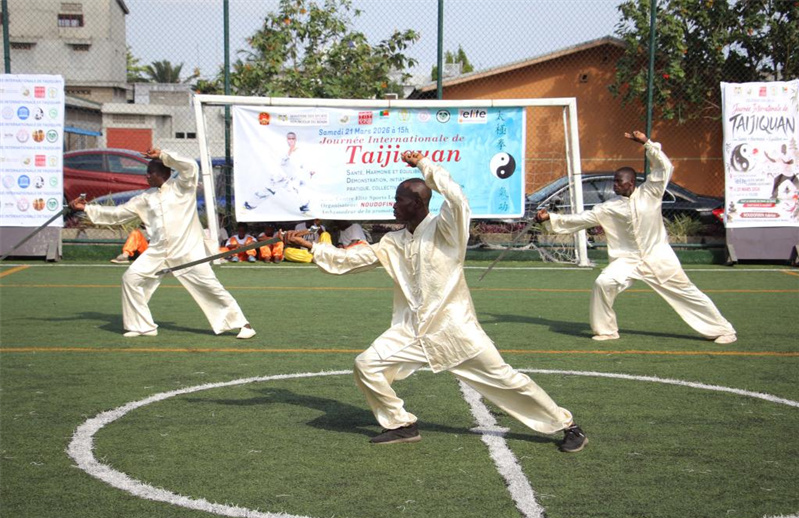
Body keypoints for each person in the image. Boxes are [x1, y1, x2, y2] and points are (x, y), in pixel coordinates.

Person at [285, 150, 586, 452]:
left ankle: (567, 426)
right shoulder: (393, 241)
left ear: (416, 203)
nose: (392, 206)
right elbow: (348, 261)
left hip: (457, 331)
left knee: (507, 380)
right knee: (366, 365)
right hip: (412, 331)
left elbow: (456, 198)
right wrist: (310, 247)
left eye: (398, 200)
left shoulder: (446, 230)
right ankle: (401, 424)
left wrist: (424, 165)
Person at [536, 130, 737, 344]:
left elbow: (664, 168)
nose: (614, 185)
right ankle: (606, 330)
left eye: (618, 182)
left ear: (631, 183)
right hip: (627, 259)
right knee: (603, 282)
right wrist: (551, 217)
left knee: (686, 292)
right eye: (614, 181)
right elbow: (580, 219)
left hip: (658, 257)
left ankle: (723, 330)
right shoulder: (608, 208)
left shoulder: (651, 193)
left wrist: (647, 144)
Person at [69, 148, 256, 340]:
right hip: (158, 252)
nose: (147, 176)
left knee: (210, 287)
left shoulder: (182, 187)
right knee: (130, 279)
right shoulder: (145, 198)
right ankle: (142, 326)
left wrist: (162, 155)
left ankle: (243, 324)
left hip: (188, 251)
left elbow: (190, 166)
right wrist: (86, 208)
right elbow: (118, 214)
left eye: (151, 172)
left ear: (164, 173)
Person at [244, 131, 317, 214]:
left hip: (289, 178)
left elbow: (302, 163)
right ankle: (250, 204)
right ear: (287, 139)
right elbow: (279, 162)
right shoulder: (281, 149)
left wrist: (310, 170)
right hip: (279, 177)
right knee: (267, 191)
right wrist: (289, 152)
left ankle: (304, 206)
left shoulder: (299, 150)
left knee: (295, 191)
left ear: (295, 139)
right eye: (289, 138)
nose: (291, 140)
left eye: (293, 138)